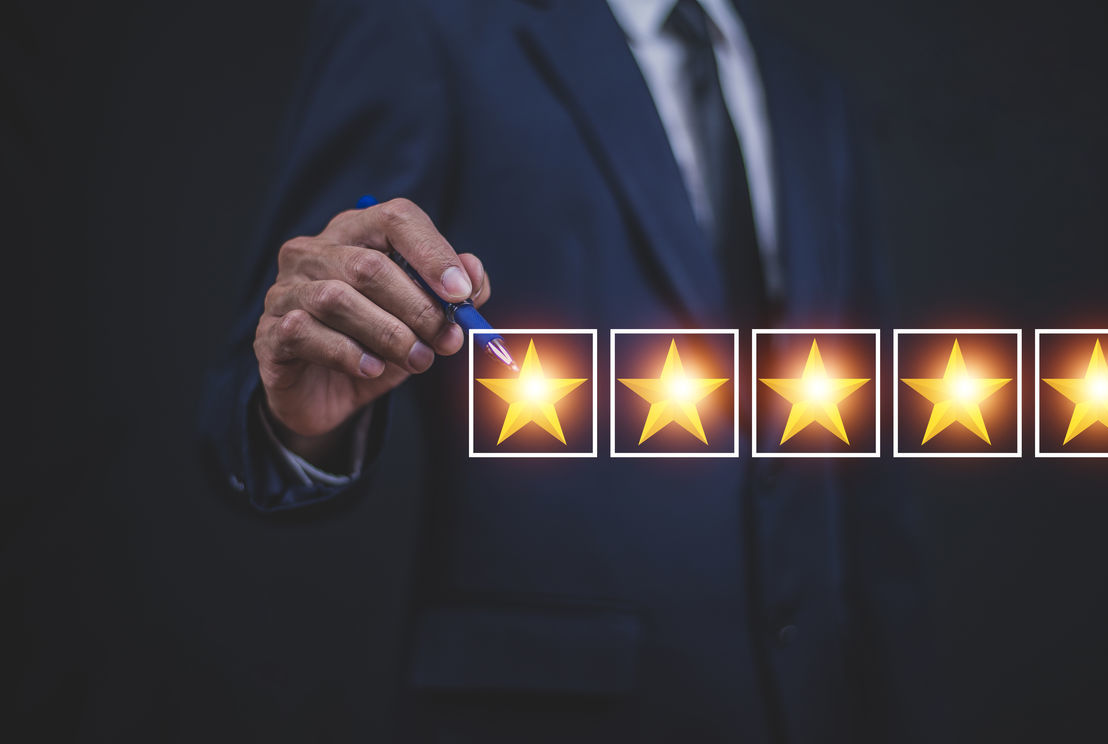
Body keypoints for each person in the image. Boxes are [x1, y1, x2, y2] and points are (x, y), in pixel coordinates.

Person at [200, 0, 941, 740]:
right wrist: (294, 421)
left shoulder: (810, 88)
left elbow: (863, 458)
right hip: (547, 711)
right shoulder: (422, 23)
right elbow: (287, 341)